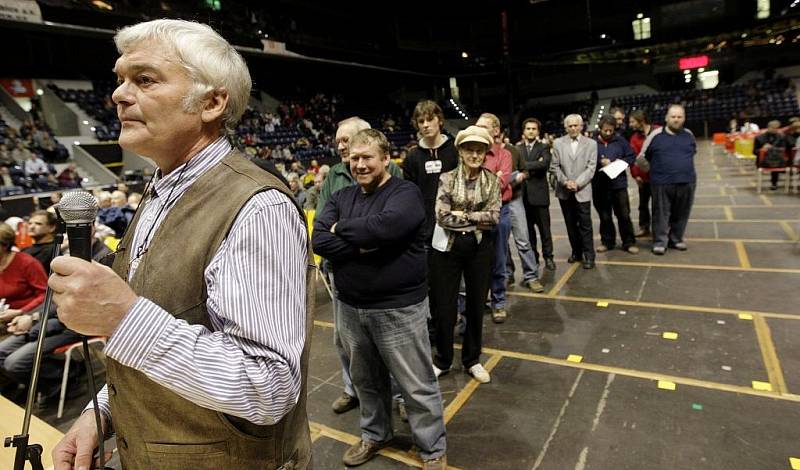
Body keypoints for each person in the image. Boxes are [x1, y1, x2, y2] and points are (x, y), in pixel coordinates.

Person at [48, 19, 313, 470]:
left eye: (144, 79)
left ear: (211, 103)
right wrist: (104, 412)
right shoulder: (159, 190)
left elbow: (269, 387)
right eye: (121, 80)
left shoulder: (257, 207)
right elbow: (174, 321)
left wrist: (124, 317)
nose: (118, 95)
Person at [313, 129, 447, 470]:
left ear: (385, 158)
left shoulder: (406, 193)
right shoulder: (341, 196)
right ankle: (375, 434)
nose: (360, 164)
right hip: (350, 307)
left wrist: (343, 232)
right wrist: (363, 240)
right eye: (354, 158)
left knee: (415, 384)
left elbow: (387, 227)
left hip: (398, 308)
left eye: (367, 157)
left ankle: (432, 450)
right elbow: (319, 241)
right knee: (366, 381)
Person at [314, 116, 404, 415]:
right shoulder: (335, 176)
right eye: (339, 141)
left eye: (347, 140)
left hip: (384, 273)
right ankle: (352, 388)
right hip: (340, 271)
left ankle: (402, 396)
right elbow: (323, 232)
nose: (340, 146)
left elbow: (389, 228)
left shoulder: (393, 174)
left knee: (391, 341)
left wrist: (351, 231)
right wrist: (362, 241)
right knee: (345, 339)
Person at [429, 125, 500, 384]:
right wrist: (475, 219)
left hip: (480, 250)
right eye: (470, 149)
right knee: (445, 306)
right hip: (448, 250)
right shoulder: (447, 179)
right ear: (460, 151)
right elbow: (442, 216)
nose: (475, 155)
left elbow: (494, 218)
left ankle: (472, 359)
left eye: (480, 150)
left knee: (475, 305)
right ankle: (443, 359)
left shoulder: (492, 181)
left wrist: (465, 215)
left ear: (485, 153)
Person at [636, 104, 696, 255]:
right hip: (661, 183)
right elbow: (641, 159)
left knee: (682, 213)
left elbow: (693, 151)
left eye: (679, 117)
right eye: (673, 117)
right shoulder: (655, 135)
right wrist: (654, 171)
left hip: (687, 181)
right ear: (666, 118)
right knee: (661, 214)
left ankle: (676, 239)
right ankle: (659, 242)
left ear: (684, 118)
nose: (676, 120)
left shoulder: (689, 134)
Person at [403, 100, 459, 244]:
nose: (426, 125)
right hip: (425, 229)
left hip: (454, 225)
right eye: (421, 121)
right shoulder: (412, 157)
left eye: (430, 119)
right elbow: (411, 196)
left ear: (439, 120)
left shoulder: (455, 151)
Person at [475, 113, 513, 322]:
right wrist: (493, 178)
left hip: (500, 211)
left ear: (496, 130)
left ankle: (498, 302)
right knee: (477, 261)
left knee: (498, 260)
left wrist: (480, 183)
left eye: (483, 126)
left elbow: (501, 184)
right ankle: (479, 300)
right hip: (476, 214)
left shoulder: (504, 155)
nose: (478, 130)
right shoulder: (473, 152)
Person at [551, 114, 597, 269]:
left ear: (581, 126)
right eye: (570, 126)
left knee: (585, 225)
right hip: (564, 191)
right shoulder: (558, 143)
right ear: (565, 127)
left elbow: (591, 168)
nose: (573, 128)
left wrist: (577, 183)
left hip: (582, 190)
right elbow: (554, 166)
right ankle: (576, 252)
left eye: (576, 125)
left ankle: (589, 255)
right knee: (570, 224)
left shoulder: (591, 144)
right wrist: (565, 182)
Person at [503, 125, 544, 296]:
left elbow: (525, 171)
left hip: (515, 199)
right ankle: (507, 274)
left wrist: (520, 176)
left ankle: (531, 276)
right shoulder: (484, 152)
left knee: (523, 240)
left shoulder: (513, 151)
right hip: (496, 202)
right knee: (501, 243)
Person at [592, 115, 638, 254]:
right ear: (600, 129)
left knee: (624, 215)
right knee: (605, 216)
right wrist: (599, 163)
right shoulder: (592, 143)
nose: (608, 133)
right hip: (600, 185)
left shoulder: (621, 141)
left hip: (618, 185)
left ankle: (628, 242)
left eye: (610, 131)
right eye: (605, 130)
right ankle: (607, 241)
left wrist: (615, 162)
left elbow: (631, 156)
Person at [518, 117, 556, 271]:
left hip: (539, 197)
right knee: (529, 233)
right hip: (523, 197)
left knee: (545, 231)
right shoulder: (518, 148)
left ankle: (549, 258)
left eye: (534, 129)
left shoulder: (544, 147)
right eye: (528, 128)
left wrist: (524, 166)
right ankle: (534, 257)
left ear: (538, 131)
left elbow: (544, 164)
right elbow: (516, 166)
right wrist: (535, 165)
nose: (531, 131)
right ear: (524, 131)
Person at [0, 223, 47, 333]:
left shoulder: (27, 263)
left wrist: (21, 311)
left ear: (5, 245)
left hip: (25, 319)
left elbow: (45, 294)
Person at [628, 110, 658, 238]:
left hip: (659, 177)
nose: (630, 124)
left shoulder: (658, 131)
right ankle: (644, 227)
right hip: (644, 179)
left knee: (659, 205)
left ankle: (660, 229)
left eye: (632, 121)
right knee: (643, 205)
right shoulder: (634, 138)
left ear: (641, 120)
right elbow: (633, 158)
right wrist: (636, 175)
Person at [754, 120, 790, 191]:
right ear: (768, 127)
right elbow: (754, 151)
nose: (775, 130)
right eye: (773, 128)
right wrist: (763, 149)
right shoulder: (759, 138)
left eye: (776, 128)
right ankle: (774, 183)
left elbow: (784, 149)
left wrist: (772, 148)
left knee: (776, 160)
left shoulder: (781, 137)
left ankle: (774, 183)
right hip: (764, 161)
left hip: (778, 161)